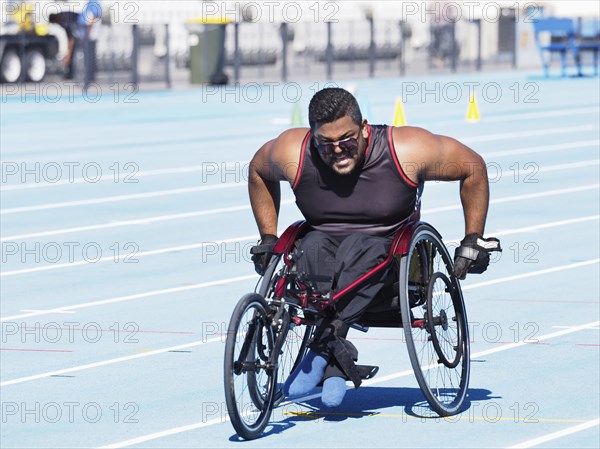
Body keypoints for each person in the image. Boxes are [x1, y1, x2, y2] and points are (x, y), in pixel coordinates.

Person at [248, 87, 500, 408]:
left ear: (364, 129)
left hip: (389, 252)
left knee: (361, 247)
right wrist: (268, 238)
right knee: (308, 246)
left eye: (347, 140)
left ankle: (322, 352)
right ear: (313, 137)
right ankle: (336, 359)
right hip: (321, 241)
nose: (338, 150)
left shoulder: (407, 149)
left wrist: (472, 239)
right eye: (326, 144)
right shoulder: (292, 151)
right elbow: (257, 170)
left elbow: (472, 166)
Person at [49, 11, 80, 79]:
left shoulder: (64, 20)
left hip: (81, 29)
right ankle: (69, 74)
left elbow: (71, 38)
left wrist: (68, 53)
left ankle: (71, 75)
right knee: (70, 56)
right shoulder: (61, 18)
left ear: (55, 20)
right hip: (76, 32)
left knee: (71, 56)